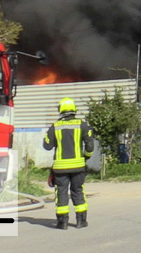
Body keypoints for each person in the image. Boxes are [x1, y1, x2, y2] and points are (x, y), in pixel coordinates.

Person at [43, 97, 95, 229]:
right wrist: (85, 157)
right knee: (78, 191)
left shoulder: (55, 126)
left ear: (61, 109)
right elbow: (90, 146)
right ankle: (81, 221)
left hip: (60, 168)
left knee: (61, 193)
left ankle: (62, 223)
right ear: (74, 109)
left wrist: (48, 136)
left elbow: (47, 146)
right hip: (78, 167)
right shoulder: (82, 125)